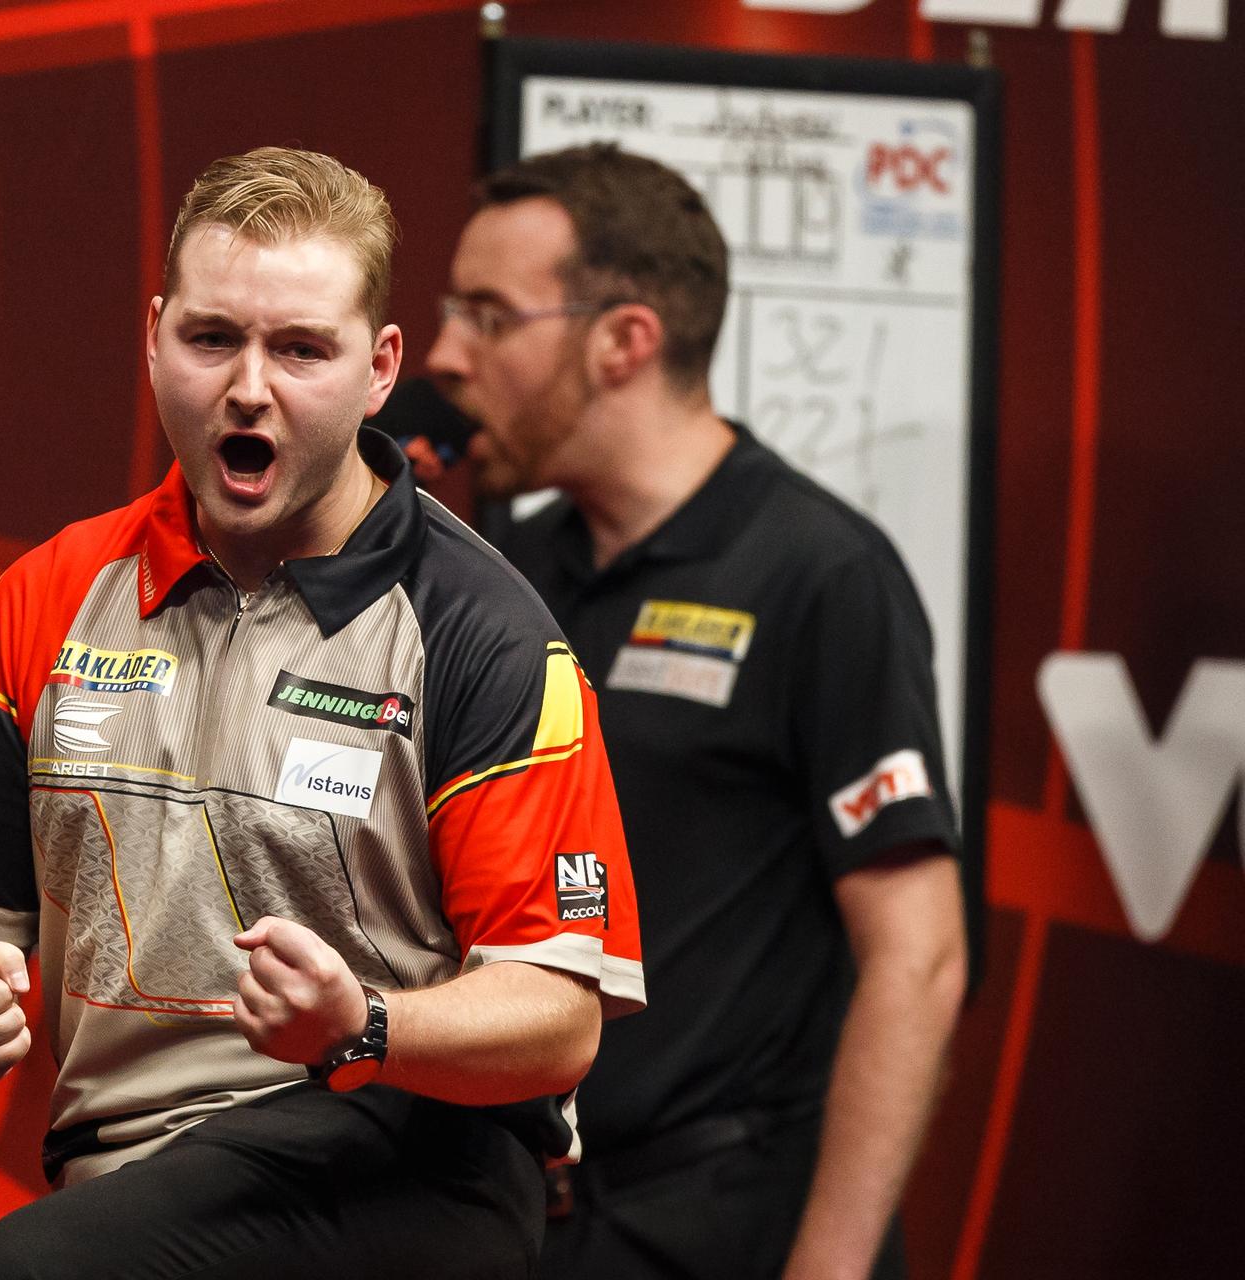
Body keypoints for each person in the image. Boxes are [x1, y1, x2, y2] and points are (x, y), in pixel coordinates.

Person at [0, 146, 646, 1280]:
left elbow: (559, 1016)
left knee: (34, 1273)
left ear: (379, 370)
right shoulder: (50, 595)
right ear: (154, 335)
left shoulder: (484, 631)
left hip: (396, 1150)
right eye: (213, 337)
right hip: (134, 1188)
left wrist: (367, 1023)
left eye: (300, 349)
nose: (249, 388)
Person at [416, 142, 967, 1280]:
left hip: (728, 1224)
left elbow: (917, 957)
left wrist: (831, 1265)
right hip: (517, 1214)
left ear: (625, 340)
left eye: (489, 313)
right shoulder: (501, 572)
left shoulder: (820, 574)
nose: (444, 354)